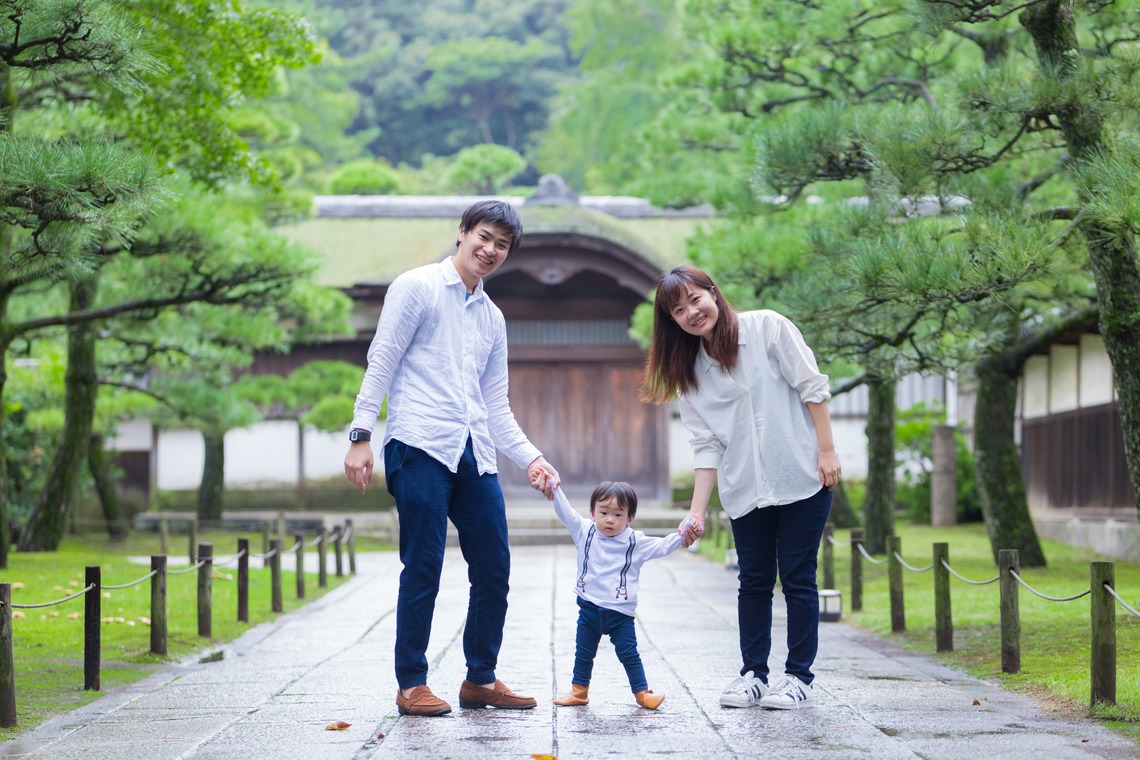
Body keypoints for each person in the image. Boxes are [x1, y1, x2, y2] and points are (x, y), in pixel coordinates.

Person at [344, 199, 560, 717]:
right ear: (462, 232)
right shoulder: (416, 286)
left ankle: (480, 678)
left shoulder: (493, 318)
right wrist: (360, 434)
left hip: (475, 453)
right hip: (418, 443)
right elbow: (382, 359)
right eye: (484, 236)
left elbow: (496, 405)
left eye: (502, 245)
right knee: (424, 564)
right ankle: (411, 682)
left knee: (495, 566)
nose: (490, 250)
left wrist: (532, 458)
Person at [641, 265, 841, 711]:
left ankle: (799, 678)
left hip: (802, 475)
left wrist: (827, 450)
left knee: (798, 577)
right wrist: (696, 512)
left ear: (714, 293)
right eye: (678, 310)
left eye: (695, 299)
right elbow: (706, 445)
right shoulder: (689, 373)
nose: (692, 313)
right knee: (752, 581)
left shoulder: (768, 328)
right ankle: (753, 675)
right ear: (671, 321)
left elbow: (813, 387)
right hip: (745, 487)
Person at [536, 479, 684, 710]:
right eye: (603, 512)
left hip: (620, 614)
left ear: (629, 517)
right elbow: (566, 512)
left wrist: (684, 534)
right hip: (589, 609)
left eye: (618, 514)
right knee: (583, 653)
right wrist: (555, 488)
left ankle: (642, 693)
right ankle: (579, 691)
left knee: (629, 654)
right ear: (592, 512)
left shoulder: (635, 541)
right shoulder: (584, 531)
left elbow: (662, 546)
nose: (609, 520)